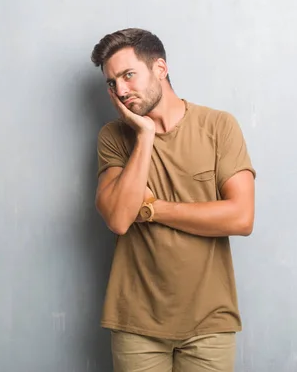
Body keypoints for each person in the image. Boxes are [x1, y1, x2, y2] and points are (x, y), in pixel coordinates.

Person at [90, 28, 256, 372]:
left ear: (160, 69)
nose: (120, 90)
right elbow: (119, 219)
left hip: (210, 322)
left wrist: (153, 209)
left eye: (128, 75)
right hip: (136, 323)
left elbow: (241, 218)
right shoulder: (114, 137)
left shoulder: (218, 127)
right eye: (111, 83)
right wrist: (145, 134)